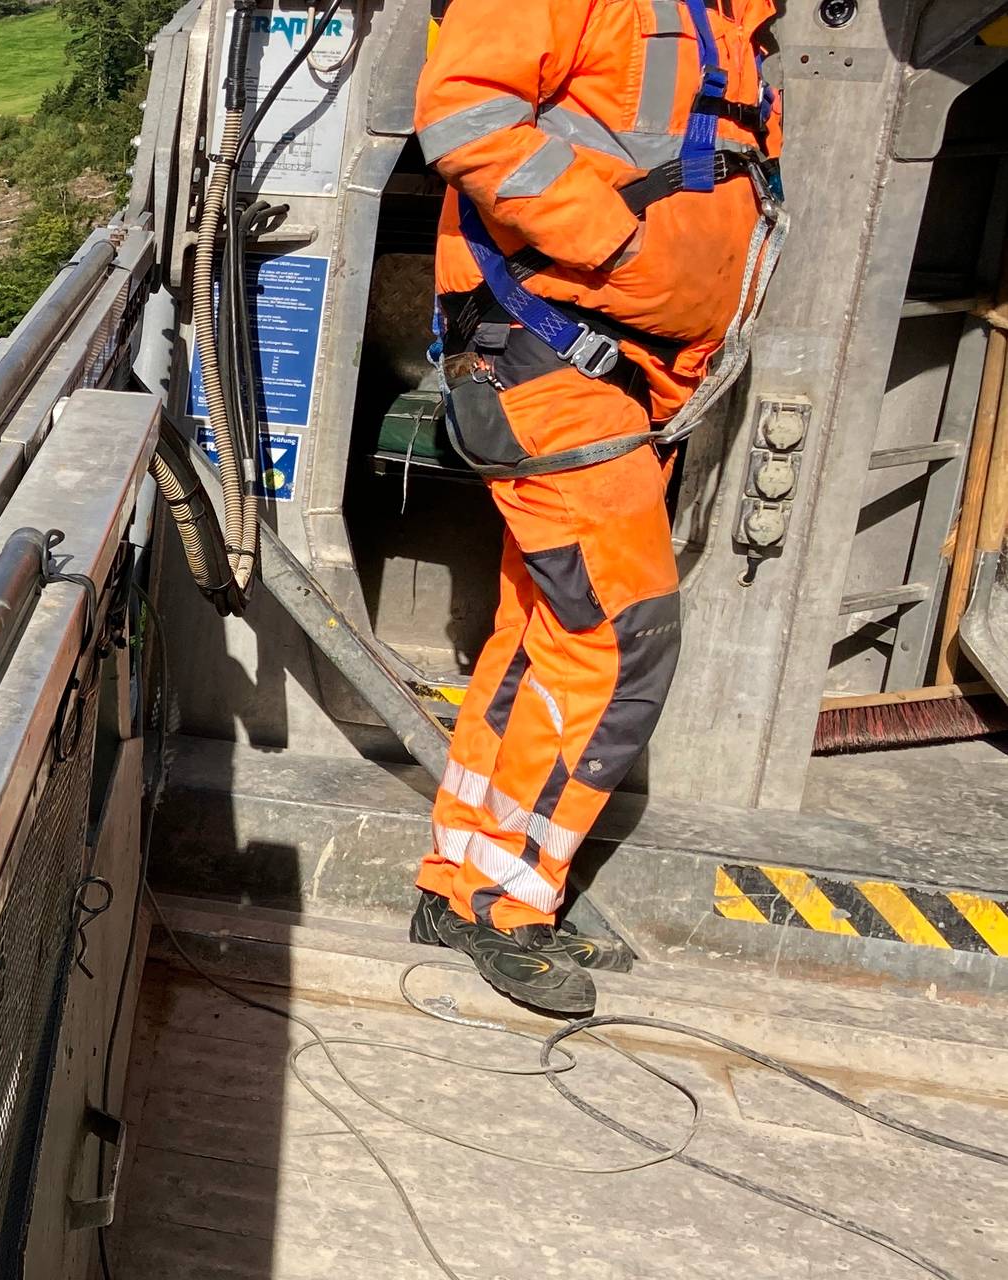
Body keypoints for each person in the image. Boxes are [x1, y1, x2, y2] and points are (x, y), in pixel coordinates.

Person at [406, 0, 783, 1014]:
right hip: (552, 348)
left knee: (542, 633)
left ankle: (458, 880)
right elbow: (463, 111)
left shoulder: (737, 21)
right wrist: (615, 247)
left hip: (633, 370)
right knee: (620, 641)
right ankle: (505, 905)